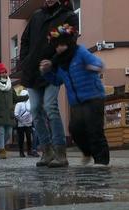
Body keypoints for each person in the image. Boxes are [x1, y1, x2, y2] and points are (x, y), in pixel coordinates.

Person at [40, 23, 110, 166]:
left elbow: (98, 63)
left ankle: (102, 161)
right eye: (56, 45)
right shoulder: (59, 62)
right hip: (76, 102)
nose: (59, 48)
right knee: (75, 129)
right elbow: (57, 81)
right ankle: (87, 152)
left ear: (69, 43)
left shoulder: (80, 52)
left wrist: (94, 67)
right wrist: (46, 72)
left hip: (94, 97)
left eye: (62, 44)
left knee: (94, 129)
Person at [20, 0, 78, 167]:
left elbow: (70, 44)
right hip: (32, 71)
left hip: (53, 70)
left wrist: (53, 61)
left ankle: (60, 152)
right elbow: (24, 40)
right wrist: (25, 61)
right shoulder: (37, 15)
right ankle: (47, 150)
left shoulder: (68, 16)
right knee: (35, 109)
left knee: (50, 107)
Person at [0, 63, 28, 159]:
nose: (4, 74)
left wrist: (26, 97)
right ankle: (2, 150)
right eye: (2, 73)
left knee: (9, 133)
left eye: (5, 72)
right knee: (1, 131)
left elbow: (15, 98)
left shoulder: (10, 85)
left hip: (9, 113)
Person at [14, 89, 34, 157]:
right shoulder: (19, 104)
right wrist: (22, 121)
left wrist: (30, 121)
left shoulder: (30, 103)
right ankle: (21, 152)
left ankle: (29, 151)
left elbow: (32, 112)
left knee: (29, 138)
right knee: (21, 138)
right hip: (21, 124)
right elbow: (16, 114)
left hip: (28, 124)